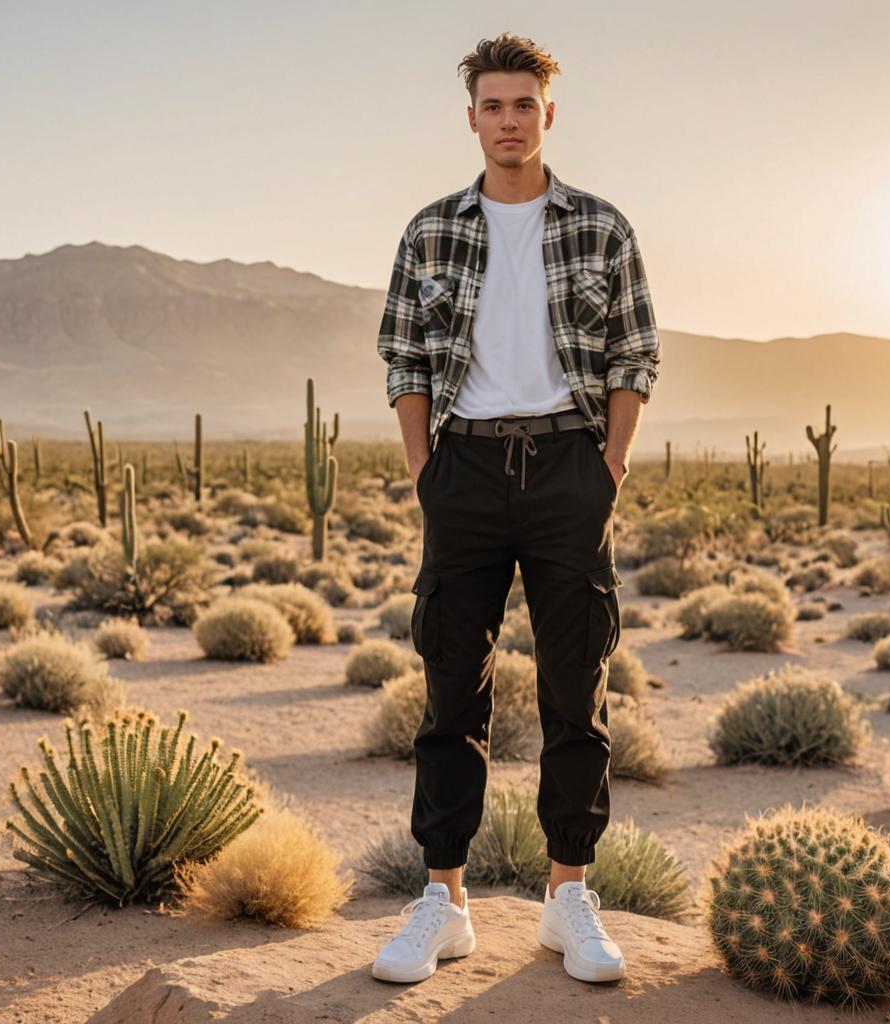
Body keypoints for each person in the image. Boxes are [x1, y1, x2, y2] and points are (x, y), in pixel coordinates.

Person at [372, 31, 661, 986]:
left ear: (548, 113)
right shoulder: (430, 231)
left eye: (523, 106)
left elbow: (634, 354)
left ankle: (566, 896)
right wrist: (425, 468)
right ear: (472, 118)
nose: (508, 121)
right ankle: (444, 900)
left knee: (576, 687)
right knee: (453, 686)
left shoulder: (601, 227)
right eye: (492, 106)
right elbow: (404, 358)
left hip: (569, 471)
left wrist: (608, 464)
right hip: (465, 469)